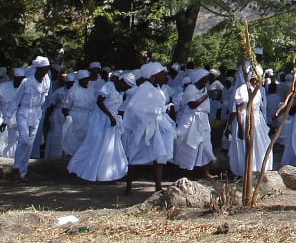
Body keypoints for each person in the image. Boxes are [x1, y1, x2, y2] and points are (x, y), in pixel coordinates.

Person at [67, 69, 129, 183]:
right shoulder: (109, 86)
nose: (127, 89)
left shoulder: (121, 92)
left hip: (111, 122)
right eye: (127, 86)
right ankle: (77, 168)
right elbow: (100, 102)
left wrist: (114, 117)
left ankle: (108, 173)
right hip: (100, 119)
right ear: (122, 82)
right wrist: (110, 116)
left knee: (110, 147)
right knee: (94, 144)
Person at [124, 62, 176, 193]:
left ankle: (158, 187)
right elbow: (134, 107)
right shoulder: (144, 88)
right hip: (145, 126)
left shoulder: (158, 88)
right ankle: (128, 186)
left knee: (160, 154)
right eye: (162, 74)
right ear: (154, 76)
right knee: (136, 155)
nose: (166, 76)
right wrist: (147, 118)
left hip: (159, 124)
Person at [10, 56, 53, 180]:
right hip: (24, 112)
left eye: (46, 69)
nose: (45, 72)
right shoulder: (26, 82)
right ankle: (16, 167)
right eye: (43, 69)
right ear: (37, 69)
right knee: (24, 140)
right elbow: (15, 100)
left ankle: (22, 172)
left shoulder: (47, 81)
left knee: (29, 145)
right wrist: (8, 117)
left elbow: (45, 99)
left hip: (36, 114)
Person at [173, 68, 215, 178]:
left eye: (207, 79)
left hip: (203, 121)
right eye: (204, 79)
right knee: (187, 146)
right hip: (191, 121)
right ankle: (183, 173)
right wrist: (207, 96)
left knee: (205, 146)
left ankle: (205, 172)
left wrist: (206, 94)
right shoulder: (190, 89)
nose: (206, 82)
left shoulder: (204, 90)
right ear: (198, 79)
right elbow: (192, 105)